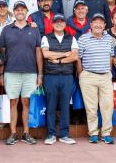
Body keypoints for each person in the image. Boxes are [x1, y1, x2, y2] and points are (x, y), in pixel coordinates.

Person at [0, 1, 43, 145]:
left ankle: (26, 133)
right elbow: (2, 54)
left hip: (30, 72)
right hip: (11, 72)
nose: (19, 12)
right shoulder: (6, 29)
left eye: (22, 9)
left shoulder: (34, 29)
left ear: (26, 11)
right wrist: (1, 74)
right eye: (17, 9)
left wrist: (40, 74)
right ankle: (12, 133)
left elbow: (38, 53)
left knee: (26, 103)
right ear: (14, 12)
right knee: (13, 102)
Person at [77, 13, 116, 144]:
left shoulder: (109, 39)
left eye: (101, 22)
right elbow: (78, 58)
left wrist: (109, 71)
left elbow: (111, 57)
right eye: (95, 22)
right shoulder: (83, 38)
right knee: (91, 108)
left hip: (105, 76)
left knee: (108, 106)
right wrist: (81, 74)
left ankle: (106, 133)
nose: (98, 25)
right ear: (91, 24)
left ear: (105, 25)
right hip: (88, 76)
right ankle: (93, 133)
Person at [41, 14, 78, 145]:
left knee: (65, 106)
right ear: (52, 24)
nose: (59, 23)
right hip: (50, 76)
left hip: (67, 76)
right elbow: (46, 54)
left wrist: (58, 61)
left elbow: (74, 56)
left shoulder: (71, 38)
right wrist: (64, 54)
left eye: (61, 21)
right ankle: (51, 134)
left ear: (65, 24)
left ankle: (64, 134)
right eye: (56, 21)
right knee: (50, 105)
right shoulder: (46, 37)